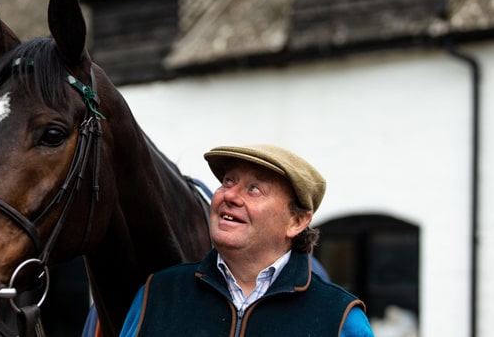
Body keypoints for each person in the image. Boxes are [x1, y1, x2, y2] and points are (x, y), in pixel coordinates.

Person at [119, 144, 374, 336]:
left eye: (254, 189)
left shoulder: (339, 316)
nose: (229, 195)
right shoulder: (157, 294)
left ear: (296, 221)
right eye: (228, 181)